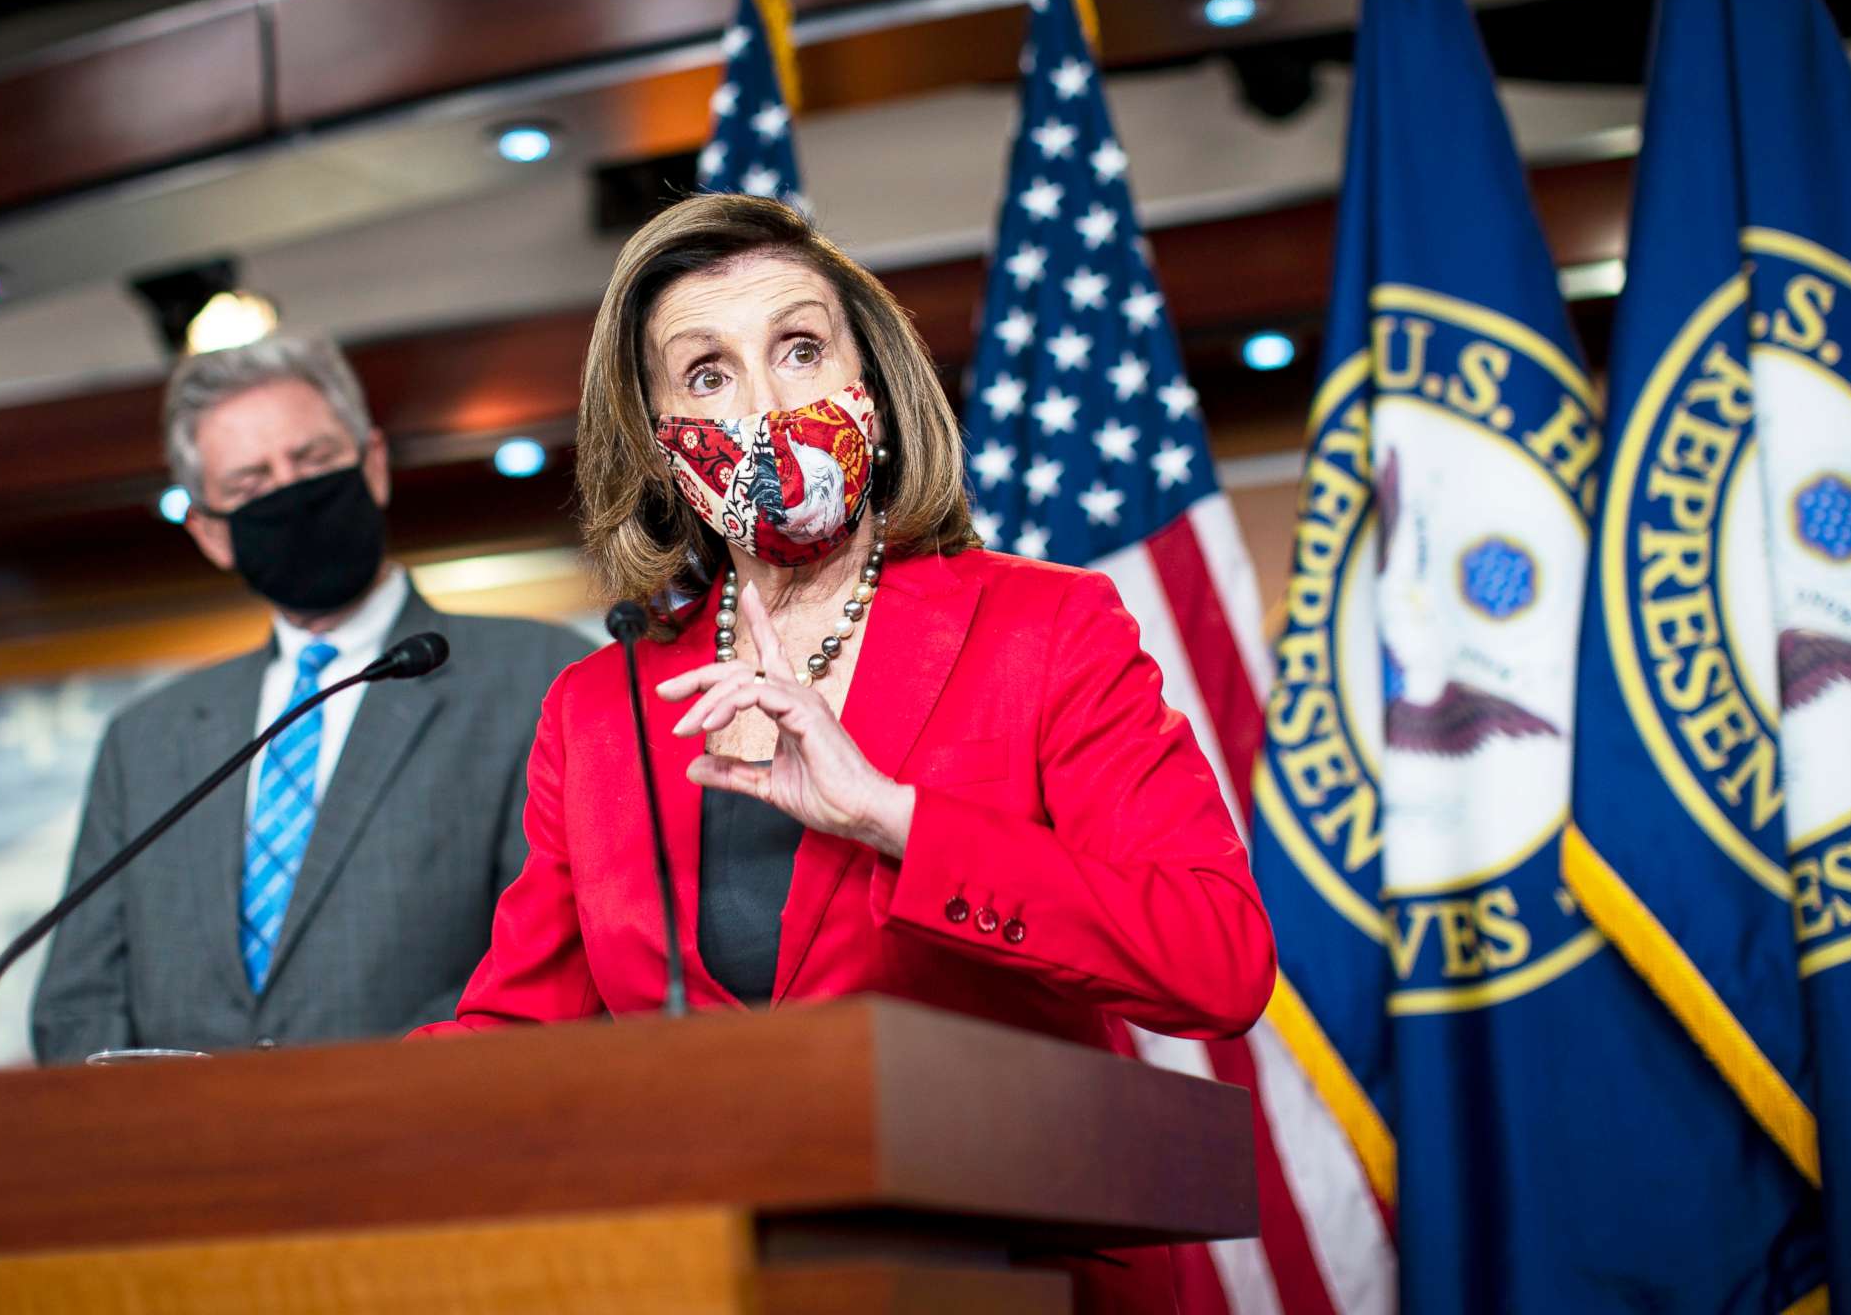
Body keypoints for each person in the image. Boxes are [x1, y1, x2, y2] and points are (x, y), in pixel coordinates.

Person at [420, 195, 1275, 1314]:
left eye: (800, 348)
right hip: (709, 1279)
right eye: (709, 374)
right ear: (656, 437)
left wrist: (895, 819)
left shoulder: (1047, 629)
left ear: (869, 383)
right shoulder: (599, 709)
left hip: (1016, 1275)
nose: (768, 403)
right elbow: (519, 1032)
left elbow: (1216, 961)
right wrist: (297, 1108)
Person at [32, 334, 591, 1060]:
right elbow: (78, 1004)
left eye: (313, 461)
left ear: (374, 464)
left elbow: (559, 963)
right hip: (180, 1159)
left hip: (430, 1141)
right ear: (209, 533)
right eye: (249, 486)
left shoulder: (542, 677)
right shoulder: (146, 740)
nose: (289, 495)